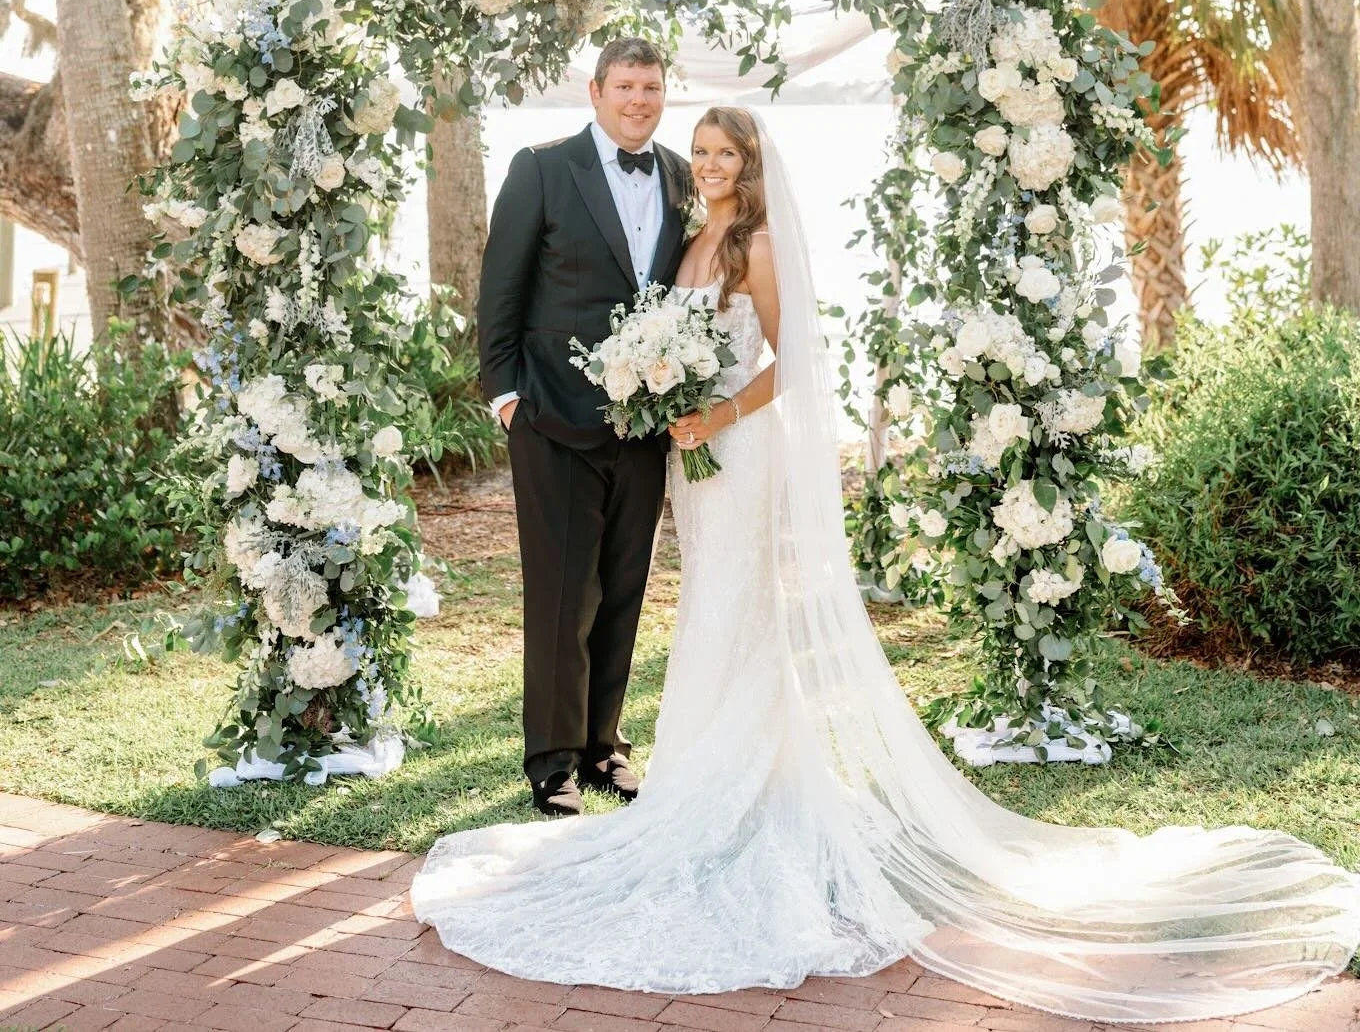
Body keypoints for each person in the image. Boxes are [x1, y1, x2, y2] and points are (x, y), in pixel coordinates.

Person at [417, 107, 1360, 1019]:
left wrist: (715, 416)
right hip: (691, 464)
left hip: (734, 457)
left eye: (721, 152)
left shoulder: (756, 244)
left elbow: (789, 362)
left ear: (750, 162)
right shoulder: (691, 233)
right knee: (705, 606)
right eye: (698, 149)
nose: (704, 163)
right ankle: (707, 775)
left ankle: (732, 790)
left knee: (732, 612)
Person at [476, 36, 693, 817]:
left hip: (645, 427)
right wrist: (506, 396)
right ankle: (553, 758)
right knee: (563, 595)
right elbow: (500, 287)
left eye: (652, 86)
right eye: (626, 86)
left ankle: (605, 744)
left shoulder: (679, 174)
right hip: (552, 420)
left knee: (624, 591)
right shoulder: (542, 167)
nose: (640, 99)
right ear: (596, 91)